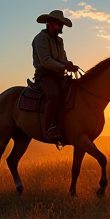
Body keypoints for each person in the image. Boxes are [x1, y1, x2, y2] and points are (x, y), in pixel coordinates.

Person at [32, 10, 78, 142]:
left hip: (58, 74)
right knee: (54, 95)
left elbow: (62, 58)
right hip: (45, 74)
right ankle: (49, 129)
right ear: (50, 23)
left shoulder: (59, 41)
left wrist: (67, 63)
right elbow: (45, 60)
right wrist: (63, 67)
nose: (60, 26)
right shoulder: (40, 39)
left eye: (61, 24)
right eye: (58, 23)